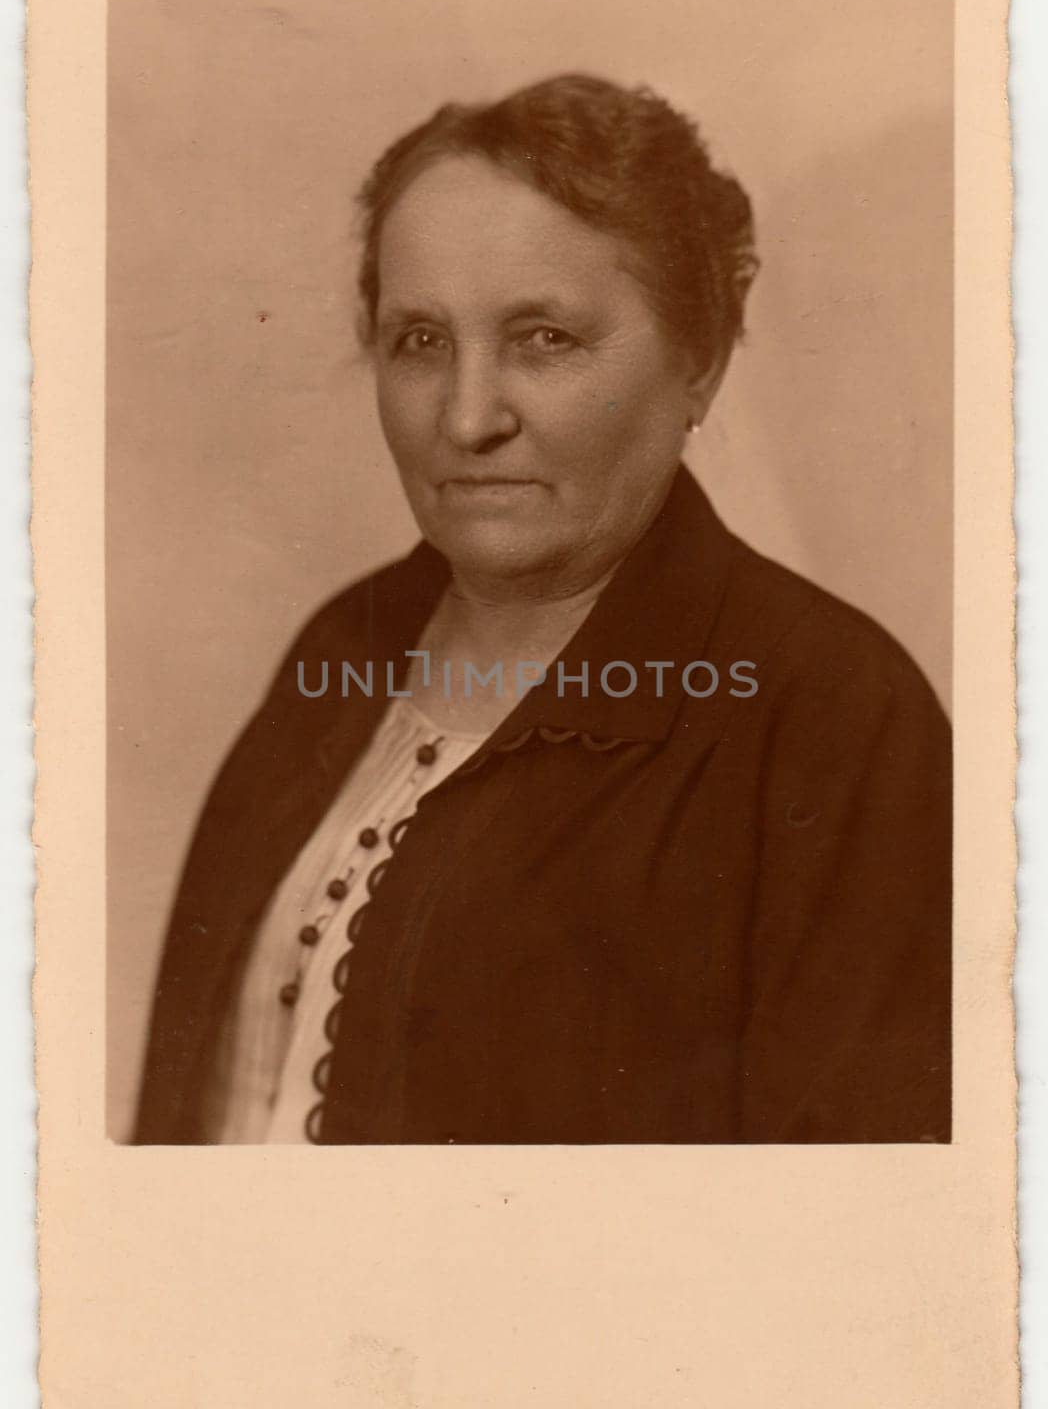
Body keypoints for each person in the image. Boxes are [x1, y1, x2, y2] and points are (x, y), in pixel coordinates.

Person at [133, 73, 951, 1146]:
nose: (467, 418)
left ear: (697, 358)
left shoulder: (837, 720)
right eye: (420, 340)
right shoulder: (347, 643)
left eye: (544, 339)